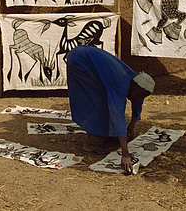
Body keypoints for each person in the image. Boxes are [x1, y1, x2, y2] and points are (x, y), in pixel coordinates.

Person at [66, 45, 155, 174]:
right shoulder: (120, 85)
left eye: (142, 96)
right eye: (139, 94)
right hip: (79, 61)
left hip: (89, 57)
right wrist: (125, 154)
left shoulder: (137, 83)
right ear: (135, 86)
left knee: (106, 100)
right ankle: (92, 142)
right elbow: (117, 115)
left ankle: (108, 134)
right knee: (98, 102)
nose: (138, 98)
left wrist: (132, 125)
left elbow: (137, 101)